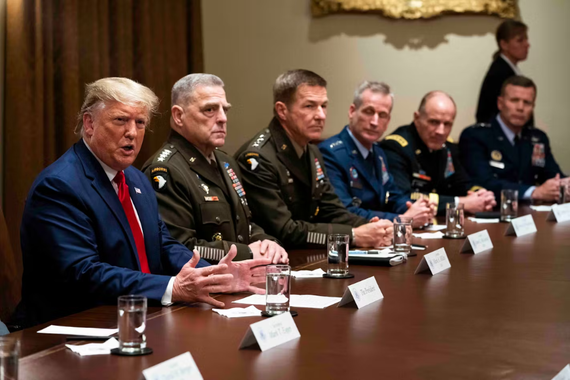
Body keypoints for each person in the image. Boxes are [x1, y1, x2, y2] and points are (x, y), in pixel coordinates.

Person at [19, 77, 269, 327]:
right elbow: (83, 273)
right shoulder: (59, 185)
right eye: (120, 120)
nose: (132, 132)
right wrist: (172, 287)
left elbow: (163, 245)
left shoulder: (135, 178)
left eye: (140, 123)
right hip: (74, 329)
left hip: (141, 317)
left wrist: (212, 276)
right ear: (89, 123)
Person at [235, 70, 393, 249]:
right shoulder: (257, 159)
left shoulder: (312, 151)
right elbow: (284, 230)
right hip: (275, 261)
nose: (321, 115)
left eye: (323, 106)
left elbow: (331, 209)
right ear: (282, 110)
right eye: (309, 106)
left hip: (308, 254)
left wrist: (374, 227)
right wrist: (353, 235)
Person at [142, 74, 287, 264]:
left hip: (239, 279)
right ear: (179, 116)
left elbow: (244, 224)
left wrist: (266, 242)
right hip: (201, 286)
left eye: (225, 110)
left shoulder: (226, 162)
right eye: (209, 110)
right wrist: (246, 253)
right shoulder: (164, 170)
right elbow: (180, 248)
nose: (222, 118)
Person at [319, 81, 434, 228]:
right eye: (369, 112)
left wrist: (416, 209)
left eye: (382, 115)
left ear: (388, 121)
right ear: (352, 111)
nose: (375, 122)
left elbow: (393, 196)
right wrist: (401, 219)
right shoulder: (331, 153)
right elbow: (344, 212)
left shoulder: (378, 152)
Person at [380, 91, 496, 215]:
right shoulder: (396, 147)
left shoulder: (447, 146)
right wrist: (459, 203)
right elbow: (404, 198)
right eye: (434, 122)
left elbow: (462, 183)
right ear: (417, 118)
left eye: (447, 124)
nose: (441, 131)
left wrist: (481, 195)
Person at [460, 76, 567, 201]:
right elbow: (483, 184)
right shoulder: (476, 136)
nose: (520, 108)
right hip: (493, 213)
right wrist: (534, 192)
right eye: (514, 100)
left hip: (531, 214)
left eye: (527, 102)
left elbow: (554, 177)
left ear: (533, 107)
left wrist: (565, 185)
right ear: (500, 103)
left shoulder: (537, 138)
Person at [476, 20, 530, 123]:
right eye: (520, 40)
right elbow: (488, 114)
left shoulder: (506, 69)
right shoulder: (500, 73)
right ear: (504, 44)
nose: (527, 44)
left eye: (526, 40)